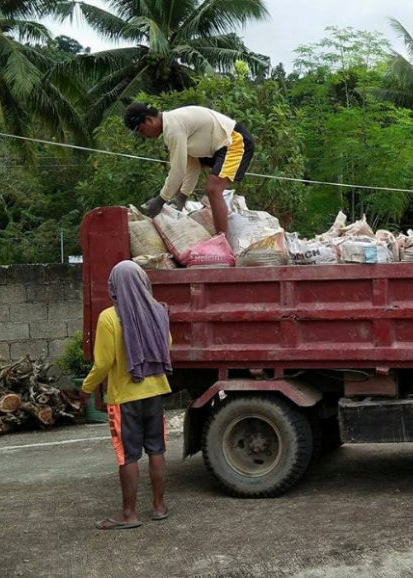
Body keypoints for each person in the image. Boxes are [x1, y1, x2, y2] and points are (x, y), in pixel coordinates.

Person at [82, 260, 173, 530]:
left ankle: (129, 514)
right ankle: (158, 507)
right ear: (144, 281)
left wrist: (85, 388)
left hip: (124, 397)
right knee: (156, 449)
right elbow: (166, 345)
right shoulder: (158, 311)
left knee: (128, 456)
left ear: (114, 286)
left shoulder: (109, 317)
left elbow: (103, 364)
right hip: (156, 392)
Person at [124, 102, 255, 235]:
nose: (143, 135)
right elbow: (192, 165)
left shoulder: (173, 128)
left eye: (141, 130)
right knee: (203, 189)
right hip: (221, 145)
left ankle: (222, 242)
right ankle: (220, 238)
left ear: (149, 120)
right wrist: (183, 196)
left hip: (235, 141)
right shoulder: (173, 125)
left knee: (213, 189)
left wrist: (161, 199)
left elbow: (178, 170)